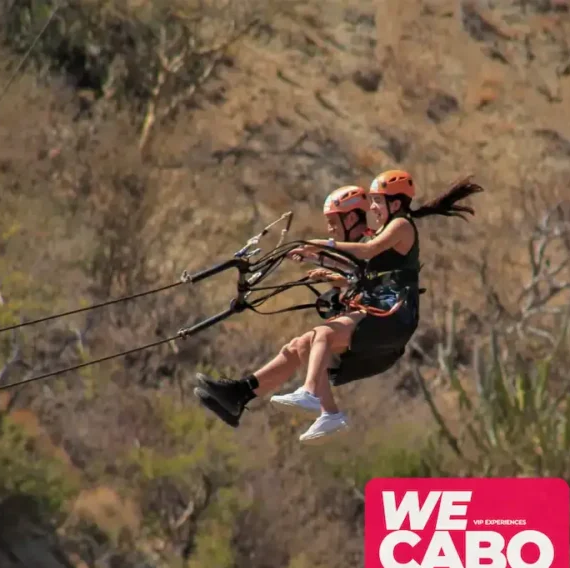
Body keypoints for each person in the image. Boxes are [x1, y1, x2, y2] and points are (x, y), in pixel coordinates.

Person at [195, 171, 484, 443]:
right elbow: (362, 273)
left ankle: (309, 393)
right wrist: (321, 263)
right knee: (301, 345)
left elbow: (367, 253)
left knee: (323, 334)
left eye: (377, 202)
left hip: (394, 319)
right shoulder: (386, 233)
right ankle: (244, 395)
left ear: (395, 203)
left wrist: (319, 245)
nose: (373, 208)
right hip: (383, 318)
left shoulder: (400, 225)